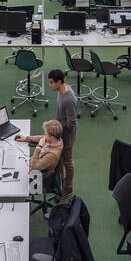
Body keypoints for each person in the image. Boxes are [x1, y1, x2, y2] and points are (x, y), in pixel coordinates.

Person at [47, 70, 78, 199]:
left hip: (66, 136)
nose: (50, 85)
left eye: (51, 83)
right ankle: (60, 182)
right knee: (58, 159)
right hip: (60, 133)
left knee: (67, 162)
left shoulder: (68, 98)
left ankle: (67, 188)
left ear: (59, 82)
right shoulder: (61, 90)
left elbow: (72, 122)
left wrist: (59, 134)